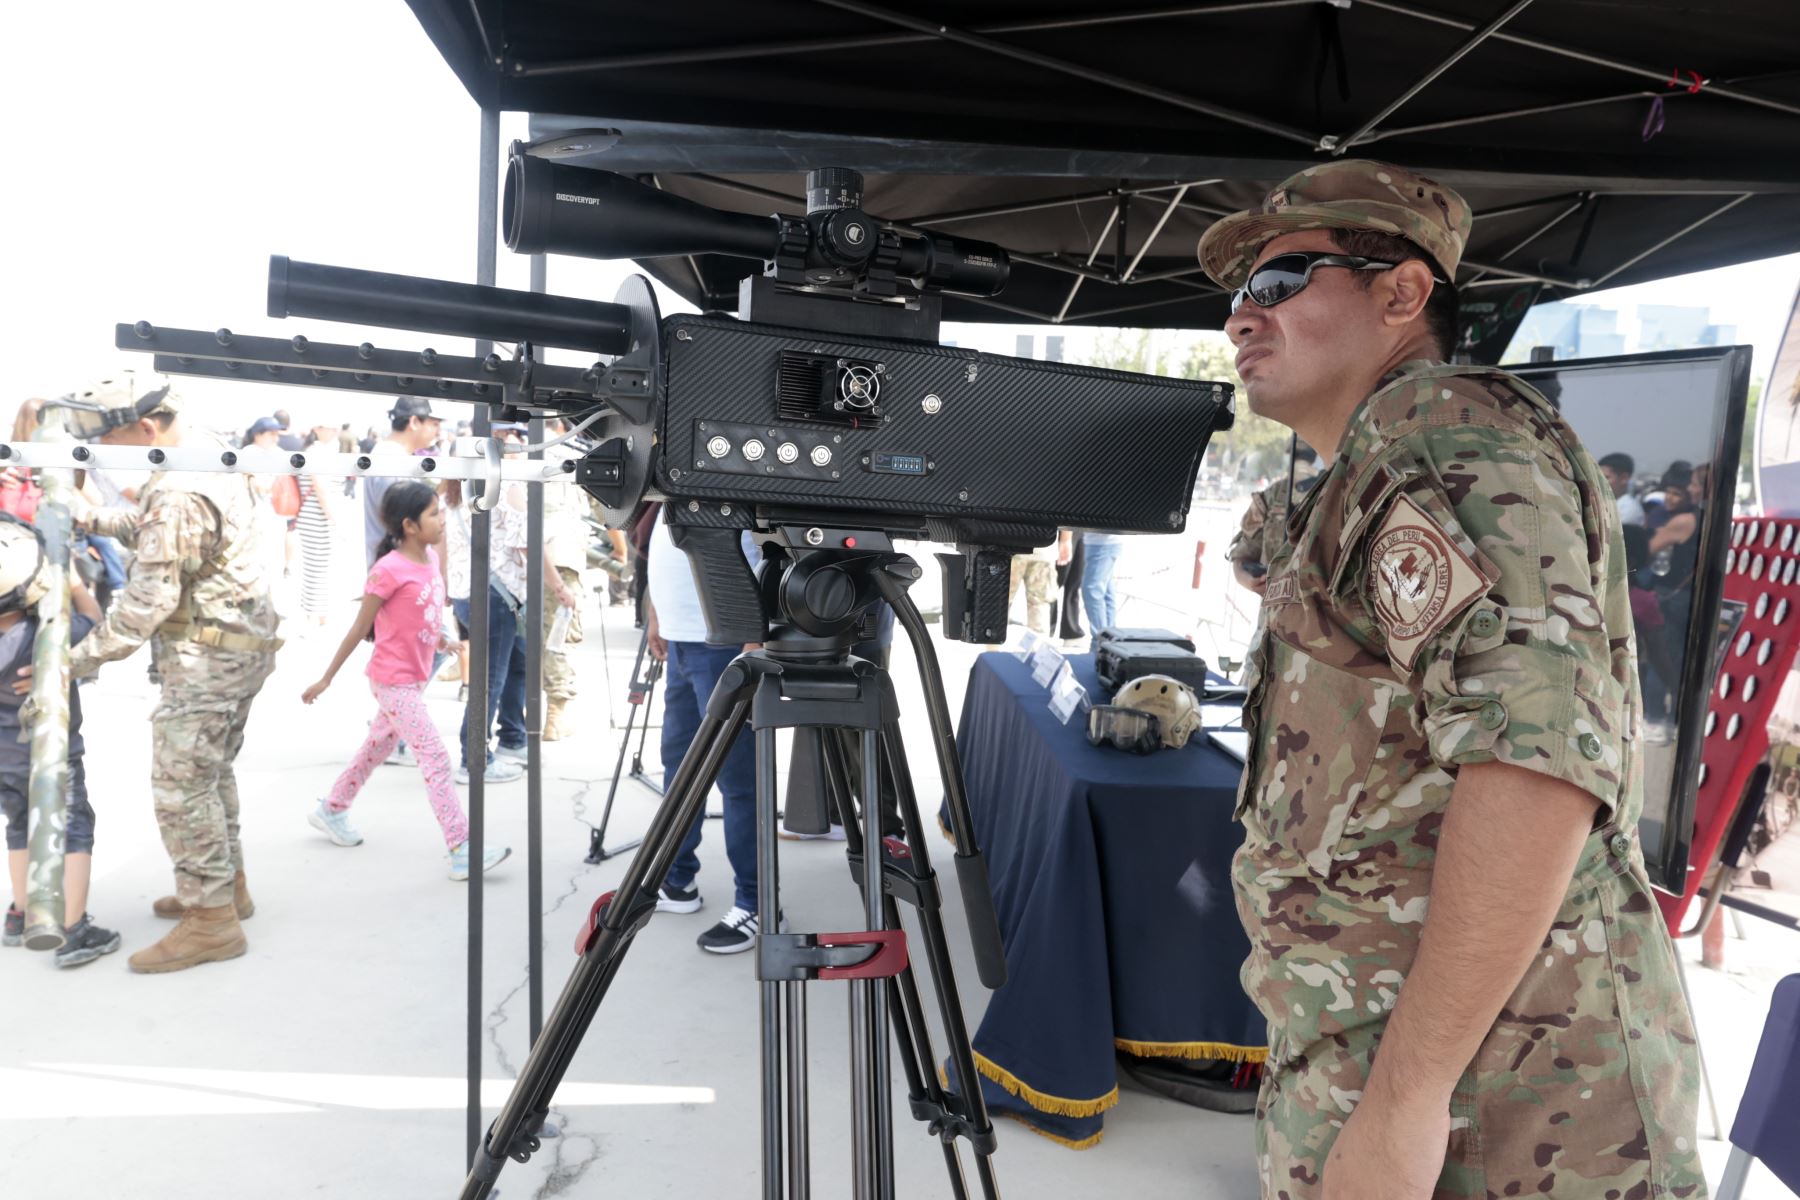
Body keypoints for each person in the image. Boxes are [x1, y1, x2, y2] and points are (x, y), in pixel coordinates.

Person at [1197, 160, 1704, 1199]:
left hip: (1504, 1113)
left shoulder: (1439, 430)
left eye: (1281, 280)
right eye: (1240, 292)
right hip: (1406, 1071)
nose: (1243, 315)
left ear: (1401, 293)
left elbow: (1535, 763)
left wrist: (1402, 1106)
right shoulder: (1376, 460)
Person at [60, 382, 282, 974]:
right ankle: (226, 890)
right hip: (238, 648)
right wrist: (93, 517)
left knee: (181, 788)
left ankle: (211, 922)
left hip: (208, 661)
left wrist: (70, 663)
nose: (106, 452)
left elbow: (144, 607)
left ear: (146, 429)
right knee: (210, 775)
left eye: (109, 439)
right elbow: (160, 530)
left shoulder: (179, 488)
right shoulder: (201, 451)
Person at [301, 483, 509, 880]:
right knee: (435, 757)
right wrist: (326, 678)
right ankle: (462, 847)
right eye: (433, 513)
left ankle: (332, 808)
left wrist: (443, 639)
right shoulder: (387, 571)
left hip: (413, 678)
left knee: (375, 748)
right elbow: (359, 628)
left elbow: (420, 615)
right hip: (392, 682)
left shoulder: (429, 558)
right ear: (410, 525)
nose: (442, 518)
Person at [645, 508, 781, 953]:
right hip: (685, 638)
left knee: (738, 780)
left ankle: (758, 902)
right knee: (680, 767)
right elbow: (666, 547)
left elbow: (765, 549)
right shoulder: (668, 473)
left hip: (724, 641)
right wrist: (655, 613)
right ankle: (678, 880)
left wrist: (754, 638)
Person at [0, 519, 118, 968]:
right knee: (73, 828)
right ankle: (73, 929)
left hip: (4, 760)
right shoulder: (47, 634)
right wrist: (70, 579)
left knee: (19, 825)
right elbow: (96, 621)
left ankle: (20, 913)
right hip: (51, 754)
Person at [364, 397, 442, 570]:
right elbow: (401, 523)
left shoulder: (392, 455)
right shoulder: (393, 461)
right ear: (414, 422)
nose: (439, 433)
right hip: (399, 572)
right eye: (434, 424)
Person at [294, 427, 337, 626]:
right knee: (317, 566)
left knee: (316, 565)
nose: (334, 431)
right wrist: (333, 517)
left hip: (311, 514)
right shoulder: (315, 452)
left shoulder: (312, 450)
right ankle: (314, 615)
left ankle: (317, 613)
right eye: (330, 428)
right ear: (318, 429)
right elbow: (321, 488)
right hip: (316, 515)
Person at [1080, 530, 1125, 646]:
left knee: (1092, 591)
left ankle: (1102, 641)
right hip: (1101, 542)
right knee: (1105, 592)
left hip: (1102, 542)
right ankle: (1109, 641)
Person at [1597, 452, 1645, 526]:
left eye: (1606, 477)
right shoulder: (1603, 504)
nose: (1599, 482)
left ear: (1624, 478)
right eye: (1597, 477)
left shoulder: (1628, 509)